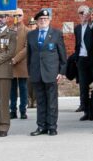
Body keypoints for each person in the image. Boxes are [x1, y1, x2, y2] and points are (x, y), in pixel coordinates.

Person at [27, 8, 66, 136]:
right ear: (37, 21)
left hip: (51, 73)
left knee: (52, 102)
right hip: (36, 72)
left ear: (49, 20)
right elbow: (29, 55)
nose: (43, 21)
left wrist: (61, 72)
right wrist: (30, 72)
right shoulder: (31, 35)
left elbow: (62, 55)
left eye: (45, 19)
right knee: (41, 101)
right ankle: (41, 126)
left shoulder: (56, 34)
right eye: (40, 19)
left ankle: (52, 126)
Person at [9, 10, 30, 120]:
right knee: (11, 89)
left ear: (23, 16)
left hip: (22, 63)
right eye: (15, 15)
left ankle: (23, 110)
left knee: (23, 88)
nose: (17, 17)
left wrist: (15, 59)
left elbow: (27, 48)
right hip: (10, 63)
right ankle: (12, 110)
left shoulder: (27, 31)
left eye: (19, 15)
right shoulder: (9, 30)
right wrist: (9, 58)